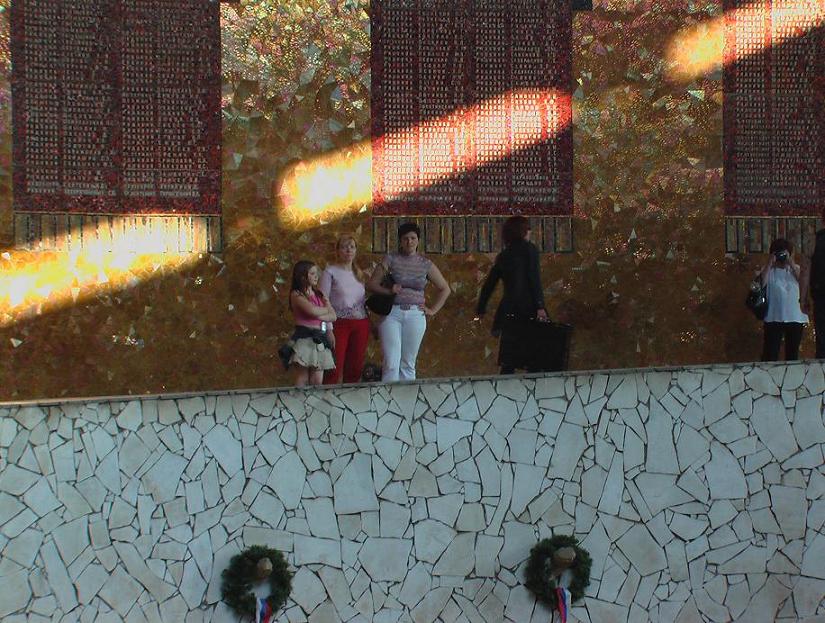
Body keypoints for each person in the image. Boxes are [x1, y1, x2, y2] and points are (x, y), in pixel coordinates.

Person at [367, 222, 451, 382]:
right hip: (392, 313)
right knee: (391, 362)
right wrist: (389, 291)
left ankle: (407, 397)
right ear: (400, 241)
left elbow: (445, 288)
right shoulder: (391, 259)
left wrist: (432, 310)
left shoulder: (425, 263)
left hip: (415, 313)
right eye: (405, 238)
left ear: (418, 240)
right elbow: (371, 284)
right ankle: (389, 396)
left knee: (408, 363)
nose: (409, 242)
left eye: (413, 238)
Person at [475, 215, 548, 374]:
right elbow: (534, 278)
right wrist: (540, 306)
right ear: (524, 231)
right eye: (528, 229)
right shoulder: (530, 250)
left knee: (510, 358)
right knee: (535, 355)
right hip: (529, 308)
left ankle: (504, 387)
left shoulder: (504, 255)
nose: (530, 232)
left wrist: (481, 308)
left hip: (509, 310)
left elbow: (489, 284)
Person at [319, 235, 370, 384]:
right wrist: (328, 329)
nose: (348, 250)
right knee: (334, 366)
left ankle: (351, 396)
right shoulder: (330, 272)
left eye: (352, 247)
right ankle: (328, 396)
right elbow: (323, 302)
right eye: (344, 247)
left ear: (356, 250)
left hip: (361, 322)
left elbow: (363, 301)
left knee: (355, 367)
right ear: (337, 251)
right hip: (338, 323)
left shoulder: (359, 274)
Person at [287, 260, 337, 386]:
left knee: (317, 379)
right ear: (303, 277)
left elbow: (333, 316)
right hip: (305, 337)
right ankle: (299, 398)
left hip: (320, 337)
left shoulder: (319, 294)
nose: (316, 276)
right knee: (303, 376)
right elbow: (312, 311)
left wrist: (321, 312)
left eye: (316, 273)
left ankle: (314, 399)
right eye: (312, 273)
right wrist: (325, 310)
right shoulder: (297, 294)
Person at [760, 238, 808, 361]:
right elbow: (760, 284)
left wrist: (791, 263)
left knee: (792, 354)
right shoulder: (768, 270)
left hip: (795, 317)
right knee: (770, 354)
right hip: (773, 317)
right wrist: (770, 263)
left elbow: (803, 282)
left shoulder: (796, 269)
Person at [806, 210, 825, 358]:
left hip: (821, 295)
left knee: (823, 341)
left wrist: (803, 297)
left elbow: (805, 270)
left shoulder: (816, 240)